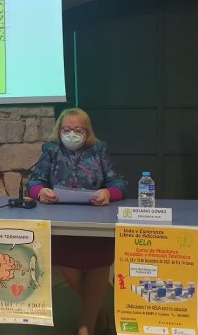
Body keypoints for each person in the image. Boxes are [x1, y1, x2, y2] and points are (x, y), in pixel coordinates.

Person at [26, 107, 127, 335]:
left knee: (99, 264)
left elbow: (119, 184)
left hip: (97, 220)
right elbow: (34, 182)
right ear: (59, 130)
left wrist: (108, 193)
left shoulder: (98, 150)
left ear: (87, 131)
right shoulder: (51, 150)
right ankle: (97, 315)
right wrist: (40, 191)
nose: (71, 134)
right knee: (68, 264)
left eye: (77, 130)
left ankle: (86, 326)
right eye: (66, 129)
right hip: (62, 220)